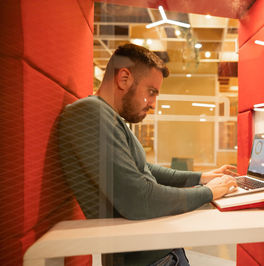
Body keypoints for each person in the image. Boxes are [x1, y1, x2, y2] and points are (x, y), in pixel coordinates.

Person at [57, 43, 238, 266]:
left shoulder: (110, 118)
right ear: (124, 78)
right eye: (151, 92)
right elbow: (138, 198)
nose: (153, 104)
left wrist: (200, 178)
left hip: (160, 254)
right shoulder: (89, 113)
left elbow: (146, 169)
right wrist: (207, 193)